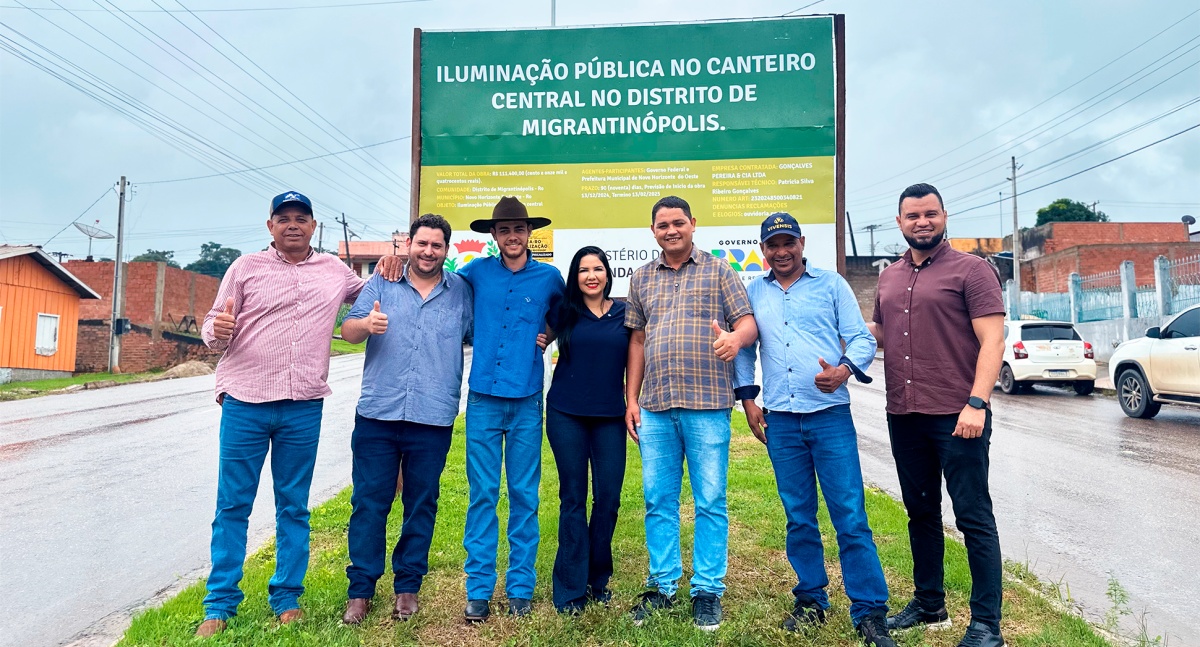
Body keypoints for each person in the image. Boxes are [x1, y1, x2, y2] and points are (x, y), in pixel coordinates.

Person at [195, 191, 366, 637]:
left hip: (302, 406)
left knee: (294, 505)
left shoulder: (334, 271)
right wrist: (219, 328)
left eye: (301, 218)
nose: (293, 225)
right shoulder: (244, 268)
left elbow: (372, 294)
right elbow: (212, 324)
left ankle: (287, 597)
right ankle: (219, 605)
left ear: (314, 226)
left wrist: (390, 266)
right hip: (245, 403)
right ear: (270, 226)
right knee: (232, 505)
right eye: (283, 218)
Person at [733, 213, 894, 647]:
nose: (781, 252)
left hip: (829, 416)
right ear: (762, 250)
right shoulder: (755, 292)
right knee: (798, 516)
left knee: (850, 515)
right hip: (781, 420)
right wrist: (749, 400)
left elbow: (861, 338)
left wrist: (843, 370)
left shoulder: (832, 284)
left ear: (802, 242)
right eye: (773, 245)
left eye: (789, 243)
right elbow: (744, 350)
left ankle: (870, 610)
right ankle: (810, 600)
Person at [869, 183, 1006, 647]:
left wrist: (977, 402)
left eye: (930, 214)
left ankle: (986, 624)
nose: (921, 222)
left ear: (944, 216)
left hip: (958, 413)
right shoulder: (887, 277)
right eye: (912, 215)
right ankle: (930, 605)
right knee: (920, 512)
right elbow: (882, 333)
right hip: (904, 412)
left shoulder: (973, 270)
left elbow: (993, 340)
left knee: (973, 517)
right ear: (899, 222)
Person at [624, 195, 757, 631]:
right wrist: (631, 399)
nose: (671, 230)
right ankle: (662, 585)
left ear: (693, 224)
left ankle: (707, 590)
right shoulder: (642, 278)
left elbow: (747, 321)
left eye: (678, 222)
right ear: (653, 231)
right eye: (662, 225)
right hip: (657, 407)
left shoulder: (720, 270)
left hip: (707, 405)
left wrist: (736, 341)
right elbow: (637, 341)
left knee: (710, 501)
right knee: (657, 500)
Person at [338, 214, 473, 625]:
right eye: (422, 244)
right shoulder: (381, 281)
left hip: (432, 416)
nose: (428, 251)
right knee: (368, 503)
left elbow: (487, 332)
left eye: (436, 245)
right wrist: (366, 323)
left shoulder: (462, 292)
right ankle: (360, 591)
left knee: (421, 503)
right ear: (408, 246)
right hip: (378, 412)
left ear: (445, 251)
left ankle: (407, 587)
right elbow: (347, 331)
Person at [459, 196, 565, 622]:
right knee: (482, 495)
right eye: (503, 230)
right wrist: (396, 265)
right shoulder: (473, 275)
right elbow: (431, 281)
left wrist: (549, 332)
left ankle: (520, 586)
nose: (512, 236)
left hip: (525, 400)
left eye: (519, 229)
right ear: (493, 236)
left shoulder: (549, 278)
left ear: (529, 233)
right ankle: (479, 589)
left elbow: (568, 312)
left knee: (524, 494)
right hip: (483, 397)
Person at [542, 246, 631, 615]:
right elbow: (538, 338)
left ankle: (597, 578)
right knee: (573, 498)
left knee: (608, 498)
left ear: (608, 273)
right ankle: (569, 588)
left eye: (597, 268)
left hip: (611, 415)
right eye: (583, 270)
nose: (591, 275)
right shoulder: (564, 310)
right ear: (574, 276)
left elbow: (640, 352)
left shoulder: (626, 313)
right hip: (566, 413)